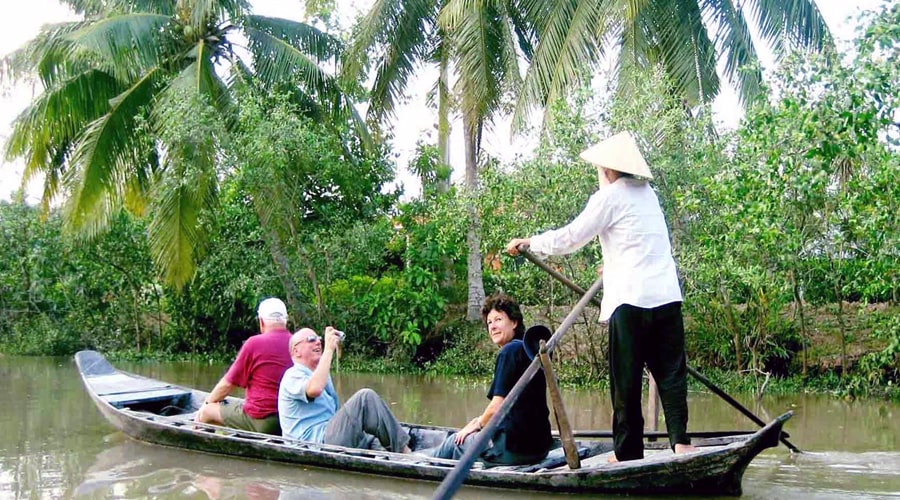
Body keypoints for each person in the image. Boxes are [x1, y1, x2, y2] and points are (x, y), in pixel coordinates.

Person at [506, 131, 697, 462]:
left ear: (608, 170)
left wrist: (530, 242)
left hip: (631, 301)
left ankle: (626, 453)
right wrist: (611, 266)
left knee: (625, 380)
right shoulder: (649, 195)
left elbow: (571, 237)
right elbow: (640, 242)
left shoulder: (609, 197)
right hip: (666, 296)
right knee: (670, 373)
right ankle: (680, 442)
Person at [427, 292, 552, 465]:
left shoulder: (508, 352)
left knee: (454, 442)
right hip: (540, 449)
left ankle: (421, 464)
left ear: (514, 322)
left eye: (498, 320)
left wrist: (477, 424)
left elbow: (496, 408)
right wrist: (480, 421)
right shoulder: (531, 353)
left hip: (514, 450)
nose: (492, 327)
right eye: (489, 323)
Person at [278, 326, 411, 453]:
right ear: (296, 351)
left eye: (319, 338)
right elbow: (314, 389)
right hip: (314, 443)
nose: (318, 342)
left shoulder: (319, 374)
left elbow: (334, 412)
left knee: (372, 437)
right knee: (364, 398)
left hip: (328, 434)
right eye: (311, 339)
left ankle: (397, 450)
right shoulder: (292, 375)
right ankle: (405, 453)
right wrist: (329, 350)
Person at [194, 297, 293, 435]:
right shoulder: (296, 344)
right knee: (231, 406)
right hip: (288, 421)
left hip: (263, 422)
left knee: (207, 411)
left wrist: (205, 404)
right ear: (286, 321)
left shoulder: (255, 344)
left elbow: (227, 385)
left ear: (261, 321)